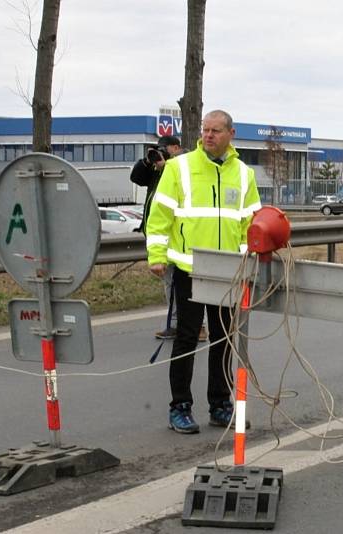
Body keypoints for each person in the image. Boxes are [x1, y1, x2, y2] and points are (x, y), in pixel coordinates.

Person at [146, 110, 261, 433]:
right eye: (205, 130)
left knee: (223, 340)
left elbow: (250, 222)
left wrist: (250, 260)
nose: (208, 135)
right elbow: (160, 216)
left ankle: (220, 405)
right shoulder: (179, 167)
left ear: (231, 133)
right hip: (189, 268)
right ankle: (179, 407)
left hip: (228, 271)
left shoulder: (243, 173)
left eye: (215, 130)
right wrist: (156, 255)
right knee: (186, 338)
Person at [131, 135, 208, 342]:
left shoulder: (184, 165)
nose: (161, 152)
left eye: (164, 149)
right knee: (171, 284)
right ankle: (178, 324)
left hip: (180, 238)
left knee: (184, 285)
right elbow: (136, 178)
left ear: (176, 147)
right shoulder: (158, 170)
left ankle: (193, 325)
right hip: (161, 236)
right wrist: (149, 162)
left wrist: (167, 166)